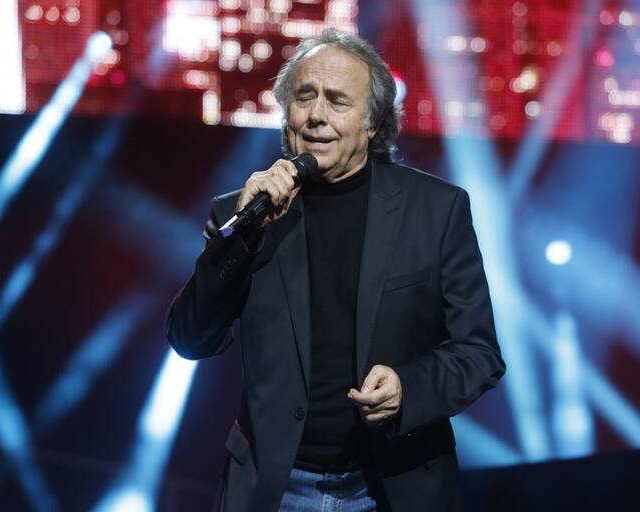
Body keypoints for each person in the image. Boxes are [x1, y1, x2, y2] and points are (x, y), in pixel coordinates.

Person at [165, 28, 505, 512]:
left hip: (391, 485)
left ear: (373, 123)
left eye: (337, 101)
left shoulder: (436, 210)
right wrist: (242, 237)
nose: (316, 115)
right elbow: (190, 339)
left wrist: (408, 388)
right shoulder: (240, 213)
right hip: (274, 487)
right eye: (304, 97)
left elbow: (479, 352)